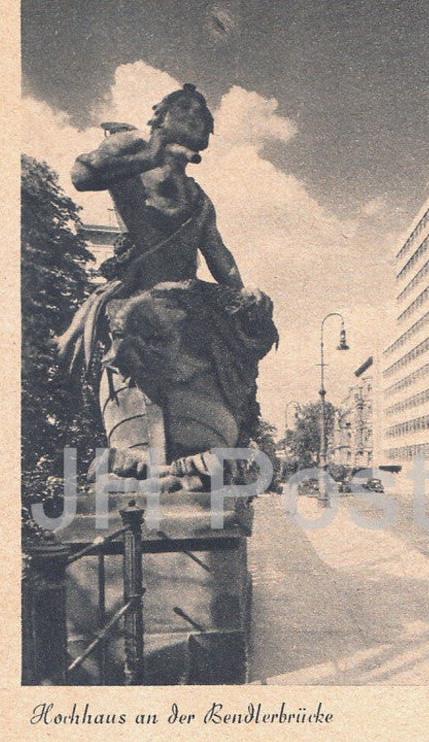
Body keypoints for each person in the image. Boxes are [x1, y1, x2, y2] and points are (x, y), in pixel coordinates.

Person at [56, 84, 278, 478]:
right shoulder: (130, 148)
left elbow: (218, 254)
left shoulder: (199, 197)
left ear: (207, 136)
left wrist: (245, 295)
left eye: (202, 115)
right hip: (137, 295)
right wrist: (151, 152)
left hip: (186, 300)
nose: (195, 114)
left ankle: (216, 436)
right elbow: (81, 174)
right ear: (159, 117)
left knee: (247, 339)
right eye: (183, 107)